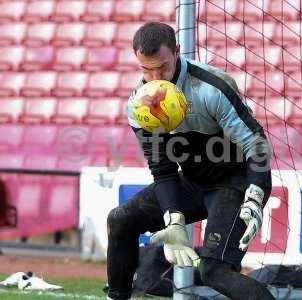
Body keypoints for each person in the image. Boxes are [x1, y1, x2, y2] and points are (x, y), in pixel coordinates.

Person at [107, 21, 274, 300]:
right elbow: (162, 170)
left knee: (214, 270)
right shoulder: (139, 106)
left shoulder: (211, 87)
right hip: (194, 181)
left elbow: (255, 143)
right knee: (121, 219)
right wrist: (173, 219)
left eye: (162, 67)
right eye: (146, 70)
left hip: (234, 181)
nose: (155, 77)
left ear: (177, 51)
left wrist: (256, 193)